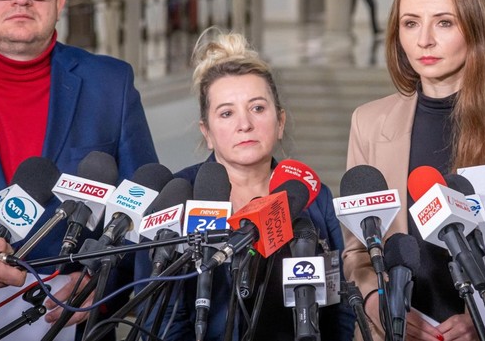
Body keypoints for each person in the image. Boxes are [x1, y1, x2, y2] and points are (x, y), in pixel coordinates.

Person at [0, 0, 158, 339]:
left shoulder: (110, 84)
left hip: (74, 322)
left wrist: (102, 283)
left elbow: (146, 211)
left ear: (59, 1)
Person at [344, 0, 485, 341]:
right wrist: (378, 304)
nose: (424, 40)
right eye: (410, 23)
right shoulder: (368, 123)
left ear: (474, 28)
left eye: (444, 23)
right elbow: (356, 254)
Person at [142, 30, 355, 341]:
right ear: (207, 131)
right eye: (227, 113)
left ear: (280, 122)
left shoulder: (311, 195)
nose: (245, 124)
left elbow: (341, 306)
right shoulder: (179, 196)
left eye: (257, 108)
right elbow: (161, 317)